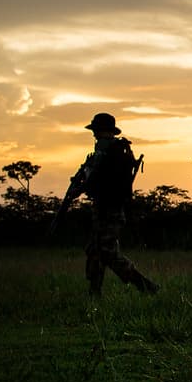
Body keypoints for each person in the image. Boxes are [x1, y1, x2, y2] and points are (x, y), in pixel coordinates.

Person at [65, 113, 158, 297]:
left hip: (110, 209)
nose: (94, 135)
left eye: (96, 131)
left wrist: (80, 188)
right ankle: (94, 293)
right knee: (95, 250)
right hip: (106, 208)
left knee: (107, 252)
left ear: (101, 131)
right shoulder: (112, 151)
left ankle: (145, 286)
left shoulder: (107, 151)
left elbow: (98, 181)